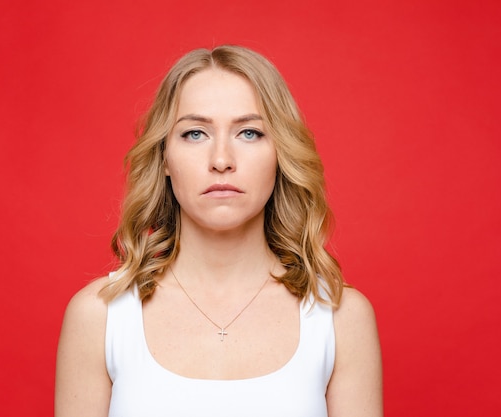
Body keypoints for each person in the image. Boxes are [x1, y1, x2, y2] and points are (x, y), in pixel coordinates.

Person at [55, 45, 382, 417]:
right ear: (164, 157)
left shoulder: (341, 319)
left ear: (281, 153)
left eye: (249, 133)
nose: (222, 160)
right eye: (195, 133)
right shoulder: (99, 317)